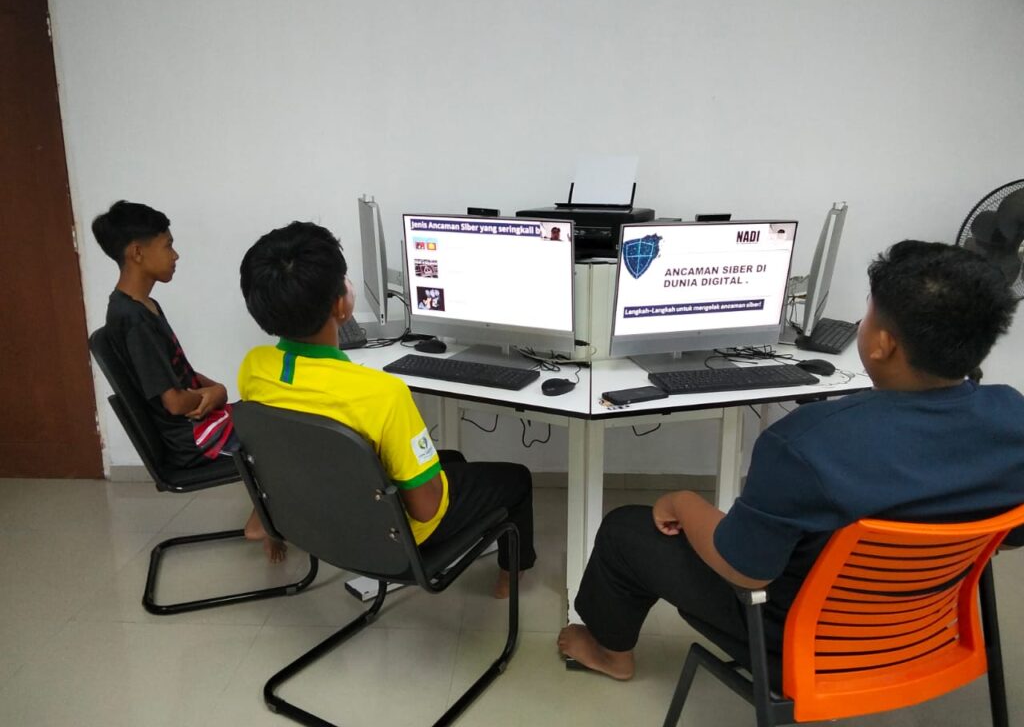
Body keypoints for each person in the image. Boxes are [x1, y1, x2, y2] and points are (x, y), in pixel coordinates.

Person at [558, 239, 1024, 681]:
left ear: (882, 344)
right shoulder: (1013, 416)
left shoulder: (806, 442)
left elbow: (745, 572)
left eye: (867, 313)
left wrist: (682, 501)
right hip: (926, 636)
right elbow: (1010, 535)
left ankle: (610, 654)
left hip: (801, 645)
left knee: (625, 529)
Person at [237, 221, 537, 597]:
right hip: (395, 542)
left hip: (319, 520)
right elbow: (426, 509)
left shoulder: (254, 368)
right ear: (341, 305)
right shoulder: (382, 394)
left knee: (453, 460)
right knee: (516, 478)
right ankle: (512, 575)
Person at [91, 201, 283, 562]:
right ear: (137, 253)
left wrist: (215, 389)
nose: (175, 255)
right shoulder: (133, 321)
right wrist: (218, 393)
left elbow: (183, 372)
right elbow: (176, 402)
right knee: (287, 432)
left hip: (196, 424)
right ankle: (264, 522)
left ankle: (269, 515)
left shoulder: (142, 306)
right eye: (167, 246)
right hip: (190, 437)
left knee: (273, 411)